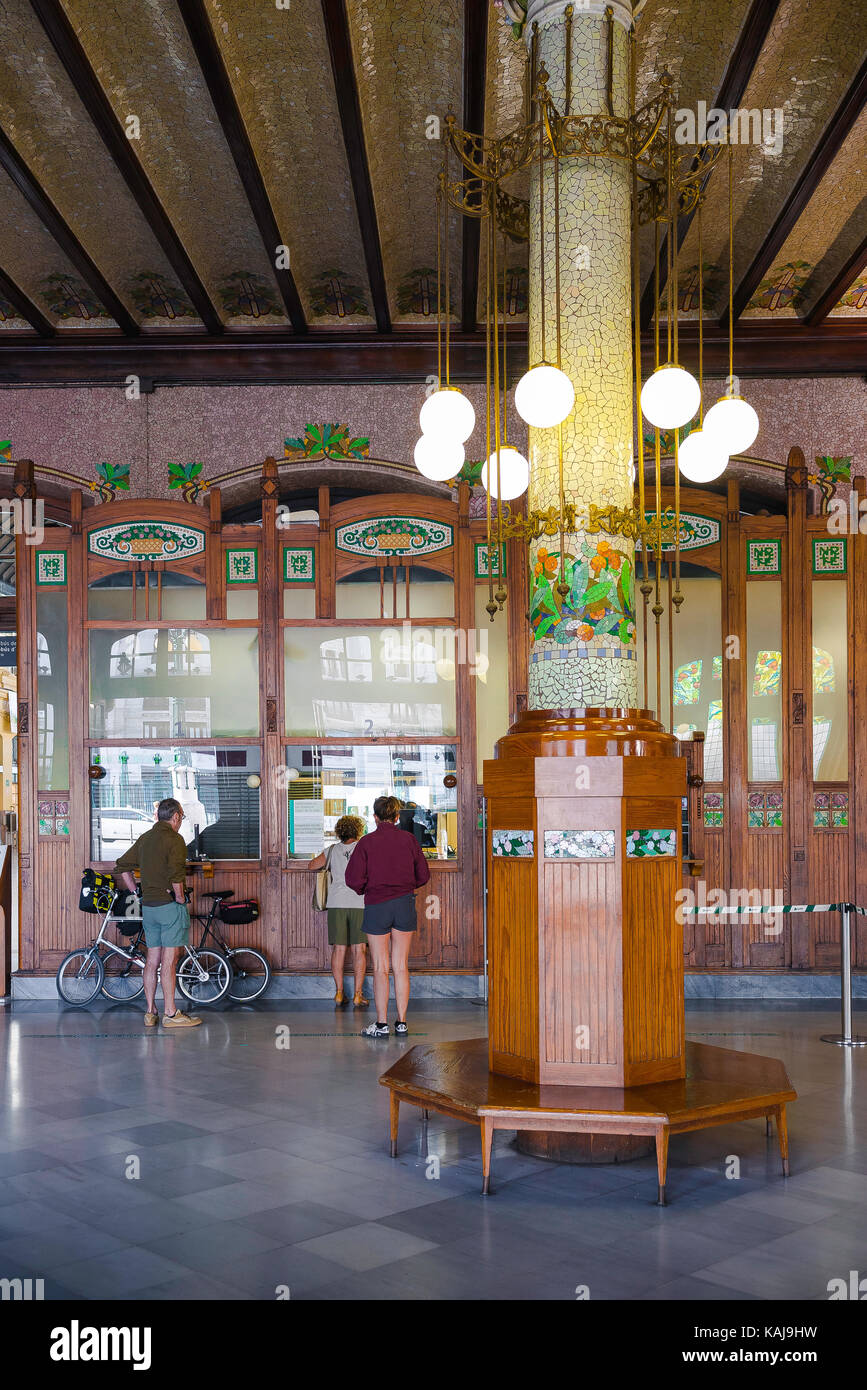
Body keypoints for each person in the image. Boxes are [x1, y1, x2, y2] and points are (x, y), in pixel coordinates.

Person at [345, 794, 431, 1037]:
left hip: (377, 905)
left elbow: (353, 879)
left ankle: (381, 1025)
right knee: (400, 966)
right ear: (396, 817)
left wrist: (367, 888)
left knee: (381, 967)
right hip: (404, 903)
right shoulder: (409, 840)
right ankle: (402, 1022)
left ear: (374, 817)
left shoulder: (366, 843)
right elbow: (423, 875)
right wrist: (404, 886)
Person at [115, 797, 201, 1030]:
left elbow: (121, 865)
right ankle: (171, 1013)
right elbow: (176, 875)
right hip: (169, 907)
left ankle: (150, 1011)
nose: (181, 821)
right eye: (181, 817)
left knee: (152, 961)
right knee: (169, 961)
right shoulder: (175, 838)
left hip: (149, 908)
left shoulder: (145, 838)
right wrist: (180, 898)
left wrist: (136, 891)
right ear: (174, 817)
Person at [308, 815, 369, 1010]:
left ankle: (339, 992)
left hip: (337, 903)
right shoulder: (364, 848)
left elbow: (312, 865)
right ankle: (358, 996)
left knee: (339, 949)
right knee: (360, 949)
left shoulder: (332, 850)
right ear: (358, 830)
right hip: (360, 902)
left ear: (339, 831)